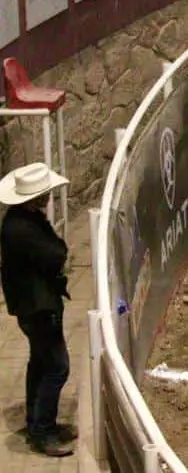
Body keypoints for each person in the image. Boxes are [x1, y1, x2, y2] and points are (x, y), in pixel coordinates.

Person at [1, 163, 76, 458]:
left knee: (40, 362)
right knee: (58, 367)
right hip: (38, 308)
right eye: (44, 194)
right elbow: (56, 254)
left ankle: (38, 423)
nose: (48, 198)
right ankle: (42, 431)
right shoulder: (23, 229)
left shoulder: (20, 221)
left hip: (32, 306)